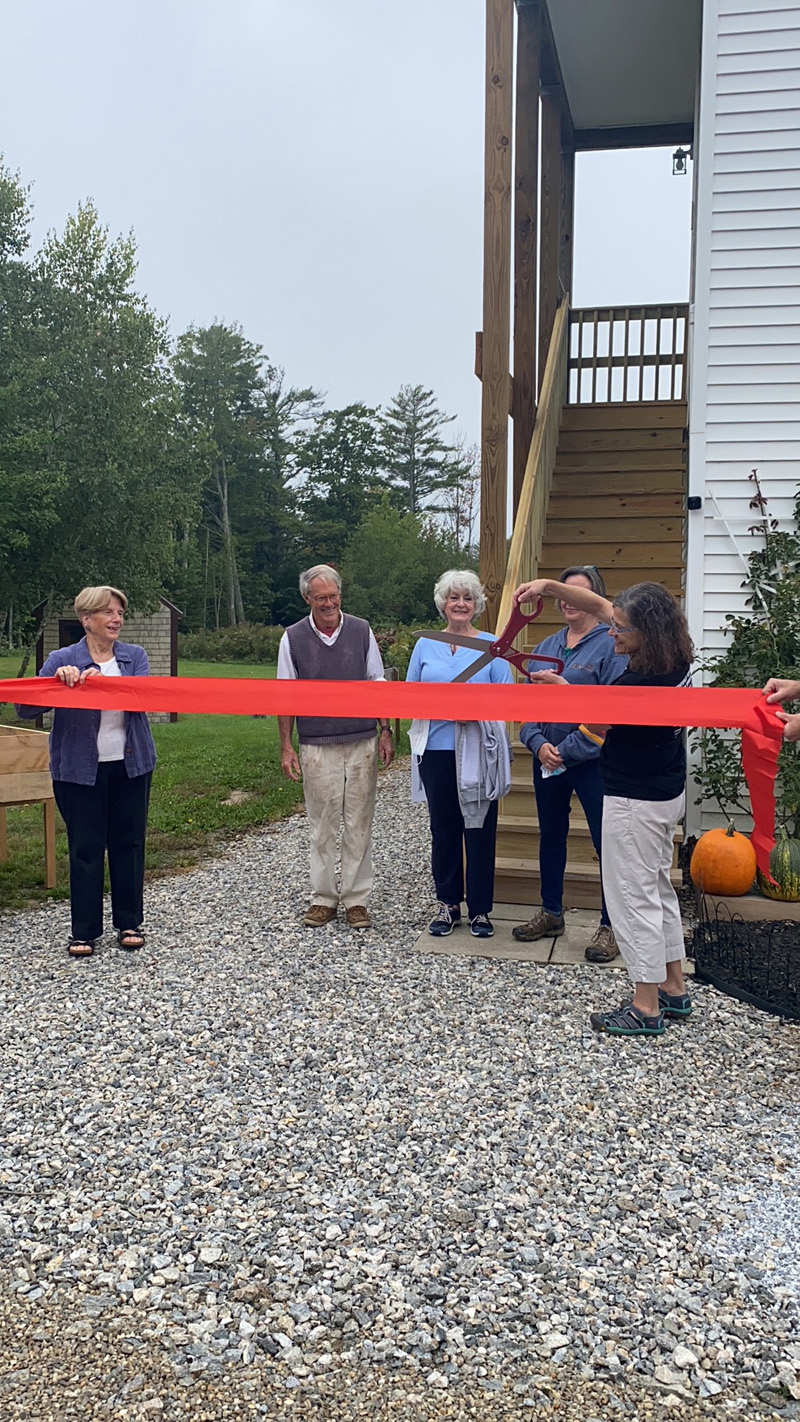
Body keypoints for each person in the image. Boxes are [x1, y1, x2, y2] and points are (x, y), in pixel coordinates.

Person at [514, 576, 694, 1037]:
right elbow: (597, 603)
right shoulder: (674, 656)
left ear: (645, 634)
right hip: (663, 791)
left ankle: (645, 1005)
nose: (611, 633)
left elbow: (599, 718)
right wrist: (550, 586)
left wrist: (561, 691)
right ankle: (674, 987)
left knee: (633, 899)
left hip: (636, 798)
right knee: (657, 890)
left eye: (620, 629)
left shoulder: (641, 679)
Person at [15, 586, 156, 958]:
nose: (117, 620)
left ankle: (129, 922)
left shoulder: (134, 657)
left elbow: (143, 699)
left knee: (128, 844)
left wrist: (95, 682)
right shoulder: (62, 658)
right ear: (87, 619)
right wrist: (57, 684)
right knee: (86, 847)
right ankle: (84, 931)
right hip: (77, 771)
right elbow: (24, 709)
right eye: (109, 613)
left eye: (120, 614)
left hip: (132, 766)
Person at [512, 565, 624, 963]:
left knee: (604, 842)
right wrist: (538, 743)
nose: (567, 601)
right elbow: (525, 707)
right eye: (562, 594)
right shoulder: (546, 645)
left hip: (593, 762)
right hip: (548, 761)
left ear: (594, 599)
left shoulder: (611, 646)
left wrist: (570, 748)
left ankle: (611, 926)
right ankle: (551, 912)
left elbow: (612, 711)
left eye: (576, 593)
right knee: (551, 836)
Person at [277, 564, 394, 930]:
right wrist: (286, 746)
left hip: (362, 740)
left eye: (333, 596)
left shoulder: (361, 631)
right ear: (307, 598)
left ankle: (357, 899)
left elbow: (378, 683)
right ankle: (323, 897)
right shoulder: (292, 638)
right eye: (320, 597)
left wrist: (386, 729)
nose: (328, 604)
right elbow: (285, 696)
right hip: (317, 744)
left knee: (359, 821)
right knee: (322, 823)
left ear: (340, 594)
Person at [406, 569, 512, 940]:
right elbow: (411, 693)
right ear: (443, 604)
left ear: (476, 604)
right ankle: (448, 904)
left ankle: (481, 909)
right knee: (444, 829)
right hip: (435, 748)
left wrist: (477, 713)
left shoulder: (492, 644)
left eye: (467, 598)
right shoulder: (426, 645)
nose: (461, 604)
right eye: (454, 598)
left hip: (478, 750)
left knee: (479, 829)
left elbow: (505, 699)